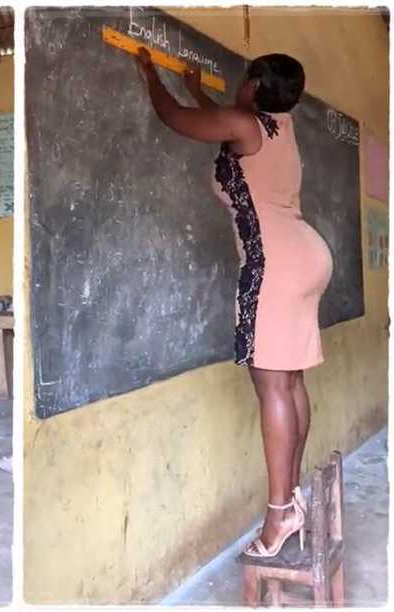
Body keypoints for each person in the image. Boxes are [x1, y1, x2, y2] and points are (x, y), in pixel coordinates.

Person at [135, 49, 333, 557]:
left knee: (270, 386)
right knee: (289, 383)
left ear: (251, 86)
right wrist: (200, 89)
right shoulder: (276, 127)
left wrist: (149, 75)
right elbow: (221, 123)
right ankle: (293, 497)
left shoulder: (246, 124)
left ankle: (278, 516)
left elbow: (174, 118)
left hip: (276, 264)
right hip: (305, 255)